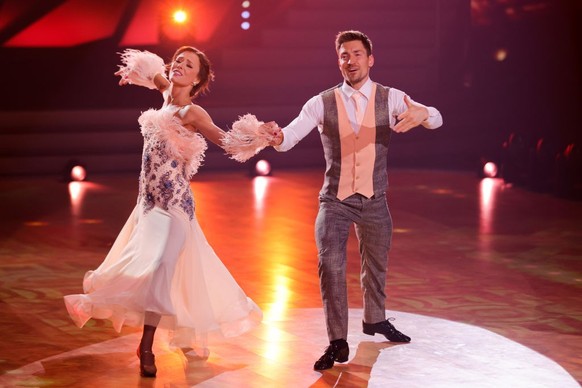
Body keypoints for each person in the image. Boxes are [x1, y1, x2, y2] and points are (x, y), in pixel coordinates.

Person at [64, 46, 269, 378]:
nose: (179, 66)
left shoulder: (192, 112)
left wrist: (258, 136)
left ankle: (146, 347)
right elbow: (150, 74)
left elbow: (226, 141)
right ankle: (186, 334)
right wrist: (132, 73)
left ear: (198, 79)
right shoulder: (164, 93)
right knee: (167, 272)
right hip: (147, 207)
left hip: (175, 208)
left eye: (188, 65)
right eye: (178, 61)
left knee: (161, 268)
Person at [268, 30, 443, 370]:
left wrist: (424, 114)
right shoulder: (321, 102)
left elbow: (436, 117)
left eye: (357, 54)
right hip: (334, 200)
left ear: (370, 58)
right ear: (339, 62)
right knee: (330, 265)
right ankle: (337, 341)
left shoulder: (391, 97)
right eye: (344, 55)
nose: (350, 60)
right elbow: (288, 138)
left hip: (375, 198)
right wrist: (275, 136)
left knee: (376, 264)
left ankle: (375, 319)